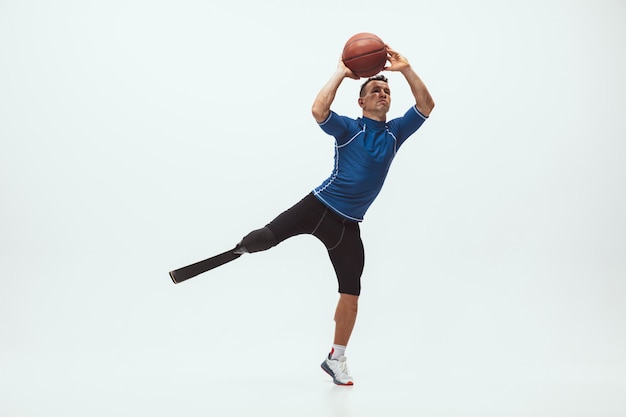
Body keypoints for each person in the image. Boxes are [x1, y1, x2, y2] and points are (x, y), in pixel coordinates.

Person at [233, 45, 434, 385]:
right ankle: (235, 249)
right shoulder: (348, 128)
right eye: (376, 90)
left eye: (387, 91)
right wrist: (342, 71)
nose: (383, 94)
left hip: (348, 226)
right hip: (318, 207)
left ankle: (336, 359)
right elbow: (317, 109)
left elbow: (426, 106)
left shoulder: (395, 133)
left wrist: (407, 69)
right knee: (264, 239)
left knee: (351, 293)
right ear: (362, 101)